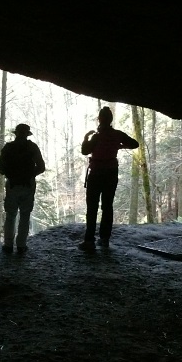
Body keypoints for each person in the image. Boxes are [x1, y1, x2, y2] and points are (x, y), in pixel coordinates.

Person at [78, 106, 139, 252]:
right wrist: (120, 146)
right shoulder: (117, 134)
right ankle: (104, 239)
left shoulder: (96, 137)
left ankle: (89, 240)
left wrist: (86, 137)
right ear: (110, 120)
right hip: (111, 173)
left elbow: (84, 151)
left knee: (92, 207)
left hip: (96, 173)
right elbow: (135, 144)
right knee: (107, 206)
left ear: (99, 119)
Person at [0, 123, 46, 255]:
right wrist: (29, 175)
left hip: (12, 185)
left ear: (16, 133)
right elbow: (41, 167)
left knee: (11, 215)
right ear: (27, 134)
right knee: (25, 215)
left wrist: (11, 175)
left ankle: (8, 245)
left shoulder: (8, 148)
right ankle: (21, 245)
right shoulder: (32, 147)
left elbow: (0, 168)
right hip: (27, 185)